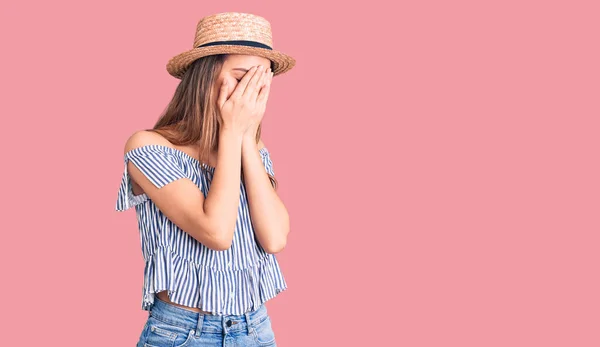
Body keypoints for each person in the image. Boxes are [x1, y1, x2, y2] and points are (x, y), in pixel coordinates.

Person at [115, 12, 295, 347]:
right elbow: (216, 231)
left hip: (255, 329)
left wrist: (244, 139)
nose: (250, 93)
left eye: (261, 81)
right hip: (183, 333)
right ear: (205, 76)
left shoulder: (252, 147)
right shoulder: (148, 147)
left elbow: (274, 238)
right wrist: (232, 131)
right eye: (242, 77)